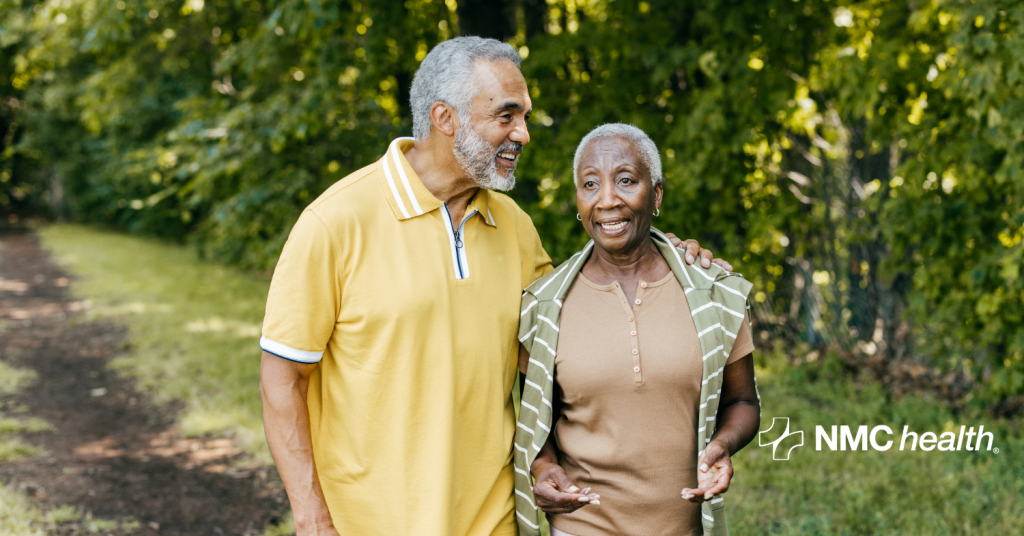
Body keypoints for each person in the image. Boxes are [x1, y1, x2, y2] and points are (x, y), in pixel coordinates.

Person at [258, 38, 728, 536]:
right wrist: (311, 518)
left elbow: (557, 359)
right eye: (506, 116)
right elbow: (282, 379)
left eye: (523, 116)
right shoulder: (335, 223)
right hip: (371, 522)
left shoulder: (514, 226)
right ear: (445, 118)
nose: (523, 134)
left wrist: (663, 260)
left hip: (493, 521)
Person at [514, 124, 761, 536]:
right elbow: (537, 424)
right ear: (578, 198)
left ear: (656, 193)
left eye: (626, 180)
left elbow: (744, 402)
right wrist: (543, 467)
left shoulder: (714, 292)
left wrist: (722, 446)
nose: (608, 200)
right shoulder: (543, 307)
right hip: (582, 528)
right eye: (590, 184)